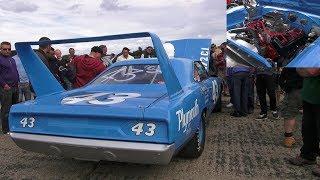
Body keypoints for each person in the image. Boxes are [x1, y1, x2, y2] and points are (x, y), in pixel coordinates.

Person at [288, 68, 320, 177]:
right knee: (308, 128)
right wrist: (303, 70)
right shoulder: (311, 52)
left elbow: (313, 71)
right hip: (309, 95)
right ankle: (308, 156)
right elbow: (300, 70)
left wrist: (303, 70)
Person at [278, 67, 303, 148]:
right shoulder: (314, 57)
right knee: (314, 114)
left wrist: (284, 86)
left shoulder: (295, 58)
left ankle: (288, 138)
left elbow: (283, 75)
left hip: (295, 88)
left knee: (290, 113)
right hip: (313, 88)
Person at [0, 41, 19, 134]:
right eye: (5, 49)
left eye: (9, 49)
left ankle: (13, 126)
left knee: (14, 108)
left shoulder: (12, 59)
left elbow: (15, 71)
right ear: (1, 50)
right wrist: (4, 85)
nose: (7, 51)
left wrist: (18, 81)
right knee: (6, 109)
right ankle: (5, 129)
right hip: (6, 88)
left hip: (15, 87)